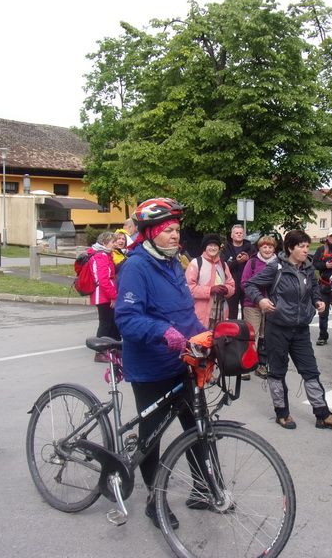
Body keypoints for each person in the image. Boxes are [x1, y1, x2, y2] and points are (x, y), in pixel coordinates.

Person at [114, 197, 207, 530]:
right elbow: (127, 319)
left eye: (177, 229)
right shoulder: (136, 267)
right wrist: (162, 331)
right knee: (151, 437)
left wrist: (205, 337)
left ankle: (204, 489)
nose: (175, 235)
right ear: (151, 233)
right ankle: (154, 501)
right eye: (168, 230)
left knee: (197, 428)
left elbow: (184, 315)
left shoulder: (173, 264)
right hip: (150, 367)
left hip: (181, 364)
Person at [245, 230, 332, 431]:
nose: (306, 250)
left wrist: (317, 301)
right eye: (301, 246)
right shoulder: (276, 267)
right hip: (277, 328)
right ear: (290, 248)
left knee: (310, 371)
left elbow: (314, 289)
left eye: (307, 246)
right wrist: (261, 300)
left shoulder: (308, 267)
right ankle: (282, 413)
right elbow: (250, 285)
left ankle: (323, 414)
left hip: (300, 329)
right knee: (277, 372)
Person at [240, 235, 278, 378]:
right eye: (264, 247)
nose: (267, 249)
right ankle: (246, 366)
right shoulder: (252, 262)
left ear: (274, 248)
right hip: (252, 305)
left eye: (270, 247)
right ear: (259, 248)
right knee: (251, 336)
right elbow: (244, 283)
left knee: (266, 337)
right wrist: (258, 298)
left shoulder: (279, 264)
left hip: (271, 306)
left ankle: (262, 365)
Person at [184, 234, 235, 328]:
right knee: (202, 337)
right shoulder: (196, 263)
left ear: (219, 248)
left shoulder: (223, 265)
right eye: (210, 245)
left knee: (219, 337)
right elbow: (188, 288)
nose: (213, 248)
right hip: (200, 315)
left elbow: (231, 285)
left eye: (215, 245)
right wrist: (210, 290)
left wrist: (226, 289)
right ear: (205, 247)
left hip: (221, 313)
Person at [88, 232, 120, 349]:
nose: (115, 244)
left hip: (105, 294)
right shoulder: (101, 256)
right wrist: (113, 296)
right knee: (106, 323)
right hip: (103, 295)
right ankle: (100, 350)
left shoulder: (105, 254)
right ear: (104, 243)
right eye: (113, 242)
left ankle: (114, 346)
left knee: (111, 322)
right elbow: (104, 280)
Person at [220, 225, 256, 320]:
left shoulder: (251, 248)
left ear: (244, 235)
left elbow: (257, 265)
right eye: (236, 233)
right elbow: (222, 266)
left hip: (247, 284)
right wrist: (236, 262)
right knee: (232, 315)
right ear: (232, 235)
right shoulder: (225, 249)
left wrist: (248, 259)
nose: (239, 234)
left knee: (247, 314)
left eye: (241, 233)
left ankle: (246, 329)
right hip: (232, 285)